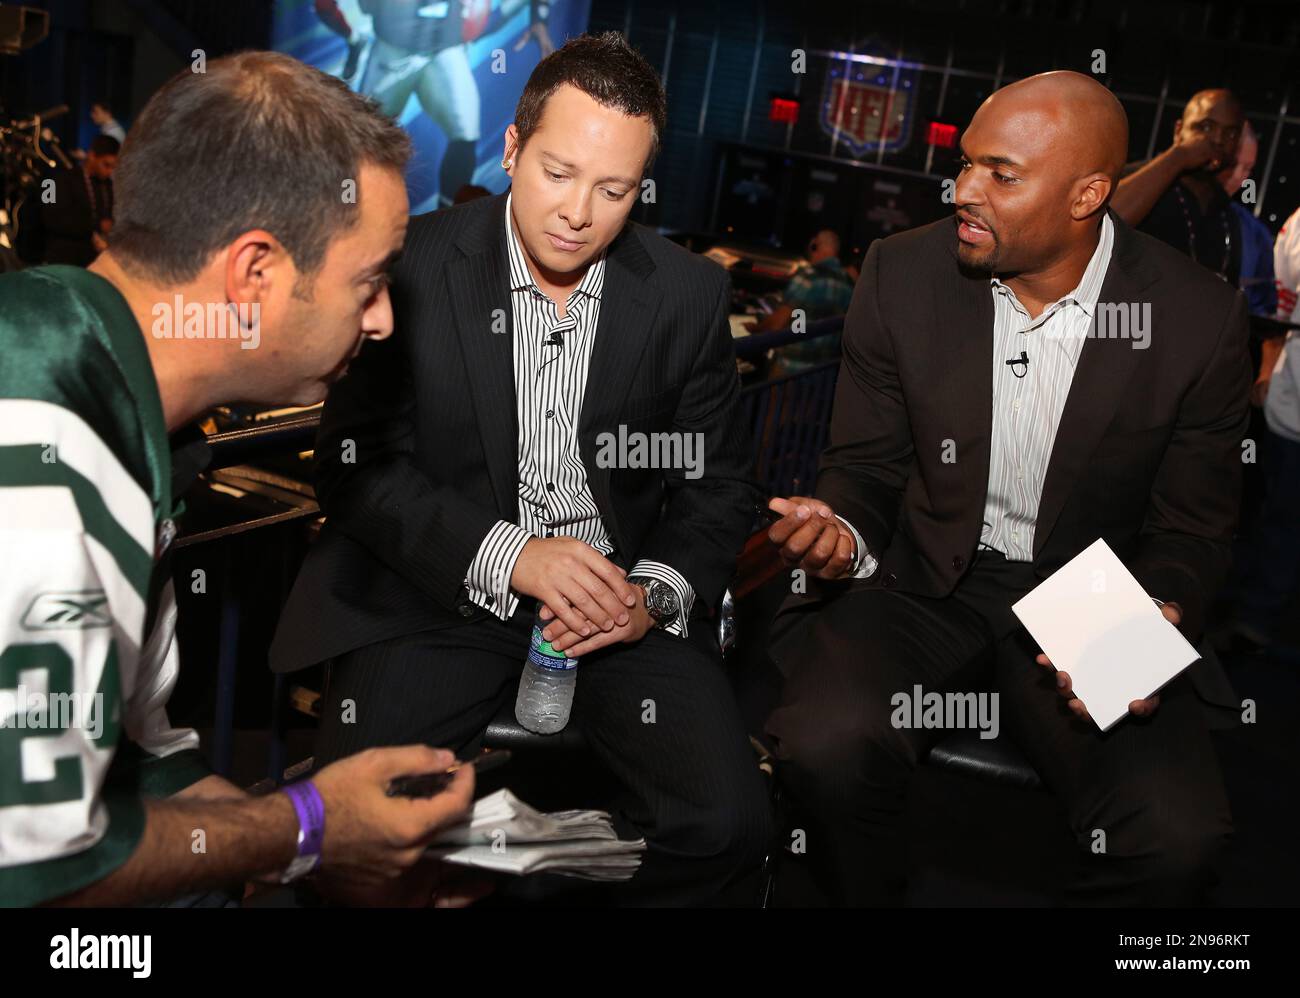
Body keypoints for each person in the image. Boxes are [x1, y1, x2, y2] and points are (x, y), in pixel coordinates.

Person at [270, 32, 772, 905]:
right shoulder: (413, 265)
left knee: (730, 825)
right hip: (438, 592)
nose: (579, 211)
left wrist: (648, 593)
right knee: (358, 834)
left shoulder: (687, 294)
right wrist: (512, 555)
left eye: (613, 190)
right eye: (557, 173)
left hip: (618, 610)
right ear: (510, 149)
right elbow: (356, 469)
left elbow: (716, 484)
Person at [0, 51, 474, 908]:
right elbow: (38, 871)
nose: (383, 319)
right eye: (367, 282)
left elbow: (141, 762)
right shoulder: (46, 456)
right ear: (254, 275)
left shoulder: (73, 344)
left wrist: (326, 849)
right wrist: (310, 824)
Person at [763, 71, 1249, 906]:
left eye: (1001, 173)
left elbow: (1192, 530)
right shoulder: (904, 273)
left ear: (1087, 195)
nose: (963, 191)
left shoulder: (1196, 318)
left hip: (1091, 590)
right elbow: (869, 468)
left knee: (1176, 838)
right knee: (820, 743)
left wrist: (1158, 610)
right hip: (927, 572)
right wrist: (844, 526)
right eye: (964, 165)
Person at [1225, 205, 1300, 650]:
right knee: (1280, 516)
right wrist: (1267, 369)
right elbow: (1279, 303)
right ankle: (1256, 615)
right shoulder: (1297, 224)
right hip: (1293, 407)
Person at [1112, 88, 1245, 284]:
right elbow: (1105, 222)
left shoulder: (1227, 212)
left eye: (1230, 134)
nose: (1218, 140)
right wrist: (1179, 156)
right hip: (1128, 313)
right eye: (1206, 127)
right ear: (1179, 131)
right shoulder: (1135, 178)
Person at [747, 228, 854, 374]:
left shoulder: (808, 278)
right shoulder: (848, 284)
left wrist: (755, 328)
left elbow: (777, 324)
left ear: (815, 247)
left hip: (790, 369)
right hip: (822, 374)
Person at [1219, 121, 1277, 321]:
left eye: (1247, 169)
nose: (1237, 177)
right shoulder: (1166, 203)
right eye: (1234, 164)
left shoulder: (1256, 234)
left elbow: (1263, 306)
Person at [32, 134, 118, 267]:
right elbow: (51, 219)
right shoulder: (57, 180)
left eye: (113, 167)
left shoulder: (108, 185)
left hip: (95, 262)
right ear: (92, 156)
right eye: (106, 165)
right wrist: (97, 225)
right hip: (63, 261)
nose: (109, 172)